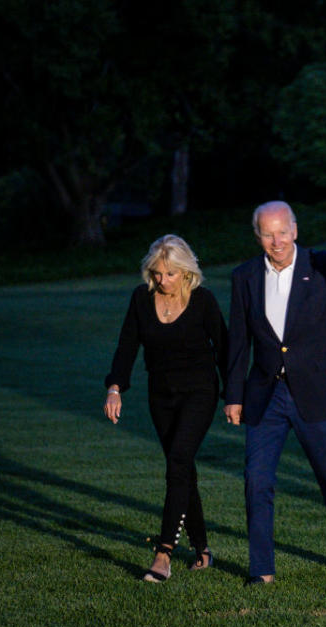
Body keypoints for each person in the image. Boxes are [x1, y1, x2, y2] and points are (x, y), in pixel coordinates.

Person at [224, 201, 326, 584]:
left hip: (317, 391)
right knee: (256, 480)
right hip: (265, 394)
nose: (276, 240)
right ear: (257, 235)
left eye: (282, 231)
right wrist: (233, 396)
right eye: (267, 233)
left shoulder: (322, 264)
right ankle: (262, 572)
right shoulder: (244, 276)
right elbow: (238, 341)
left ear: (295, 229)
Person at [104, 234, 228, 582]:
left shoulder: (203, 301)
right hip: (161, 396)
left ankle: (163, 554)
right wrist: (115, 388)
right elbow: (127, 346)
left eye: (171, 274)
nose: (163, 281)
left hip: (199, 393)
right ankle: (202, 550)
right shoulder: (141, 299)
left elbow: (225, 348)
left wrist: (233, 396)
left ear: (187, 272)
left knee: (177, 462)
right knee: (182, 468)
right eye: (157, 273)